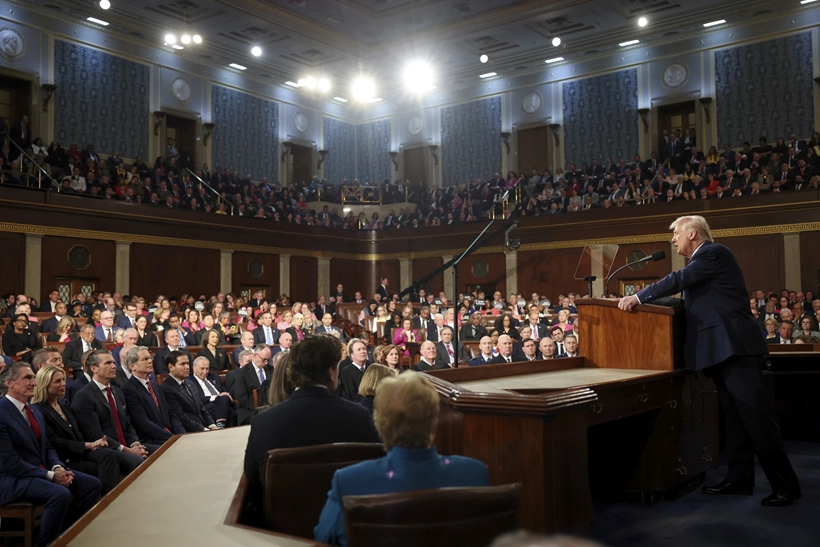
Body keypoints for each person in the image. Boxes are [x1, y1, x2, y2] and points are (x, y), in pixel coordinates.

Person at [618, 215, 800, 506]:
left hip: (737, 348)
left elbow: (678, 280)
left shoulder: (713, 253)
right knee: (736, 421)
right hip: (722, 350)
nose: (673, 239)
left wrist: (639, 297)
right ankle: (739, 480)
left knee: (757, 419)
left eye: (676, 234)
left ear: (692, 234)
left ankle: (786, 487)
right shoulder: (703, 263)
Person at [314, 371, 490, 546]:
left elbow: (322, 539)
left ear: (380, 426)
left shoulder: (349, 482)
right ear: (435, 425)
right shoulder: (475, 474)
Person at [243, 335, 379, 515]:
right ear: (332, 372)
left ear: (293, 373)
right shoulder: (360, 417)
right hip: (347, 520)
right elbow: (377, 472)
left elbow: (252, 482)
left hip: (284, 523)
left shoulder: (263, 422)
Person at [0, 362, 103, 547]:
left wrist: (57, 467)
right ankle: (46, 544)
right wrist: (50, 475)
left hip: (38, 472)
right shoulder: (2, 412)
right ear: (9, 383)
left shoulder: (33, 410)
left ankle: (68, 534)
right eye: (27, 378)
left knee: (92, 485)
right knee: (60, 494)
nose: (34, 382)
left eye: (34, 377)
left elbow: (47, 447)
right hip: (11, 478)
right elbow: (9, 463)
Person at [33, 365, 121, 494]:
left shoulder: (64, 406)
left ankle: (109, 497)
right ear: (44, 385)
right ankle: (106, 499)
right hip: (64, 458)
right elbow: (54, 441)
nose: (63, 384)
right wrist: (87, 445)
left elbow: (78, 433)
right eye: (57, 381)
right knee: (110, 467)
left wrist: (95, 444)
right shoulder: (39, 410)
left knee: (108, 454)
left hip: (78, 453)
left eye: (63, 380)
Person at [71, 350, 156, 466]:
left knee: (164, 450)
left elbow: (127, 424)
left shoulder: (117, 392)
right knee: (137, 462)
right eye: (108, 363)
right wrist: (127, 450)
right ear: (94, 368)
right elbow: (95, 435)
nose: (114, 366)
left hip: (127, 445)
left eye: (113, 362)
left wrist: (135, 444)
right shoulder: (83, 397)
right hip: (106, 450)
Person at [121, 347, 185, 445]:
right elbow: (143, 423)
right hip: (152, 440)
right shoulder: (128, 389)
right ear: (133, 366)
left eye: (150, 358)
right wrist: (171, 438)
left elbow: (170, 414)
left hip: (169, 436)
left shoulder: (156, 387)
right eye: (145, 359)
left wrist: (182, 434)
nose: (150, 361)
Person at [160, 351, 218, 432]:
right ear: (171, 367)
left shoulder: (190, 383)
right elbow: (180, 416)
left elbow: (202, 408)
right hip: (188, 432)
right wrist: (203, 429)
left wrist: (212, 425)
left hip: (203, 427)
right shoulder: (167, 388)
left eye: (187, 363)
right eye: (183, 364)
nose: (187, 367)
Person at [231, 343, 273, 425]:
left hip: (269, 407)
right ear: (255, 355)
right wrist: (261, 408)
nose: (266, 363)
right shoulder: (242, 373)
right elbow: (242, 398)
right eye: (264, 359)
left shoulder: (271, 370)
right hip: (249, 411)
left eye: (268, 360)